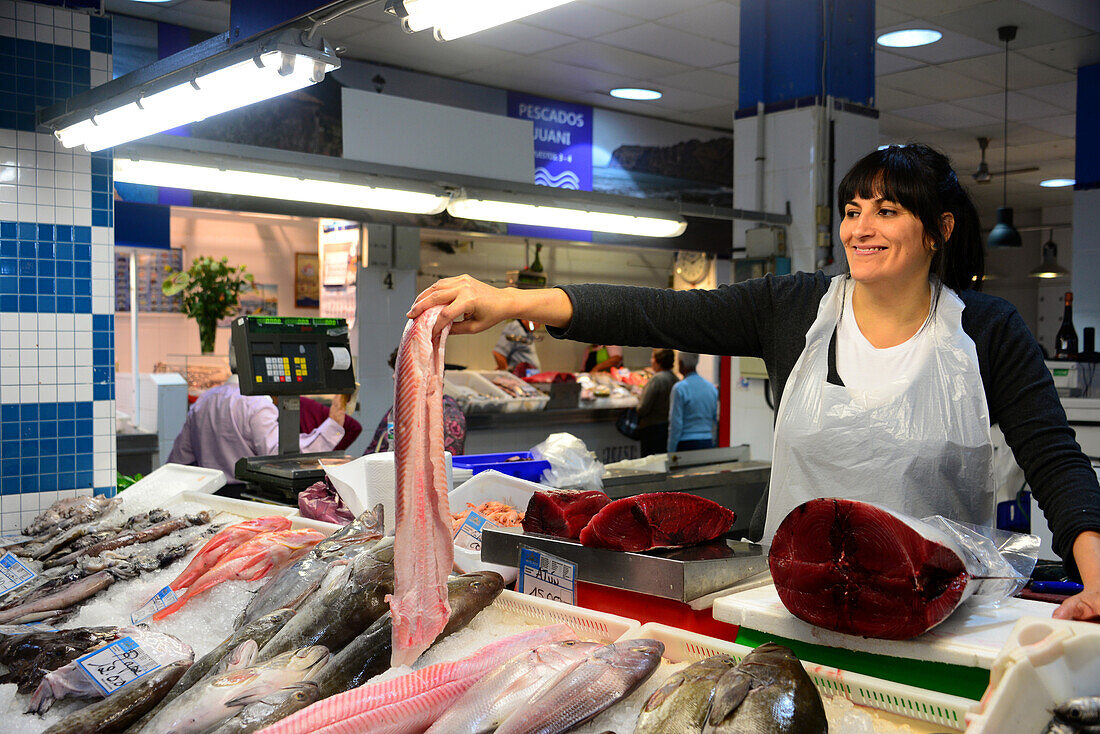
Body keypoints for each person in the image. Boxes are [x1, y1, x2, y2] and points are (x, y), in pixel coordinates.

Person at [406, 144, 1100, 622]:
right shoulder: (795, 308)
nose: (861, 227)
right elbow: (657, 310)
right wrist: (512, 300)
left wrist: (1096, 574)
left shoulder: (988, 330)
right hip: (795, 607)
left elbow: (1055, 460)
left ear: (939, 230)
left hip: (939, 618)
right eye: (853, 209)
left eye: (887, 210)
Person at [167, 354, 348, 483]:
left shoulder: (205, 399)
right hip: (246, 496)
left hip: (211, 494)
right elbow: (281, 457)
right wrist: (333, 424)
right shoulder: (257, 403)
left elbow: (178, 459)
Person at [366, 348, 466, 456]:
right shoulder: (396, 410)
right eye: (394, 370)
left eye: (400, 370)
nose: (393, 376)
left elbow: (447, 461)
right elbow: (373, 450)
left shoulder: (447, 412)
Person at [667, 352, 718, 453]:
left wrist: (671, 451)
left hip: (686, 443)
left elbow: (676, 424)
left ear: (681, 363)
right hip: (707, 441)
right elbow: (714, 420)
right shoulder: (711, 388)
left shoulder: (679, 389)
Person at [635, 348, 678, 456]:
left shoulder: (656, 380)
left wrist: (638, 399)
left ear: (659, 361)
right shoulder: (676, 379)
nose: (651, 361)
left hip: (652, 430)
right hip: (667, 428)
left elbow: (643, 408)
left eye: (653, 358)